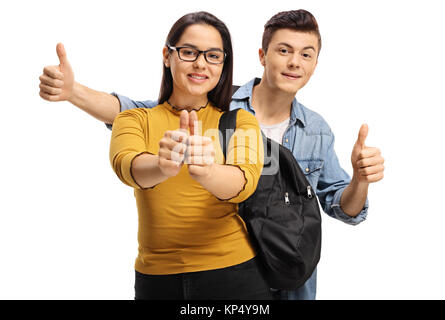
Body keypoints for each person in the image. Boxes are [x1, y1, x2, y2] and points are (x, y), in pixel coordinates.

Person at [39, 9, 384, 300]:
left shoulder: (316, 129)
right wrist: (74, 92)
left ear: (316, 63)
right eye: (284, 50)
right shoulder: (219, 105)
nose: (295, 62)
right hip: (201, 268)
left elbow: (343, 207)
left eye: (306, 54)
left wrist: (361, 181)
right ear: (262, 56)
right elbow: (134, 114)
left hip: (285, 272)